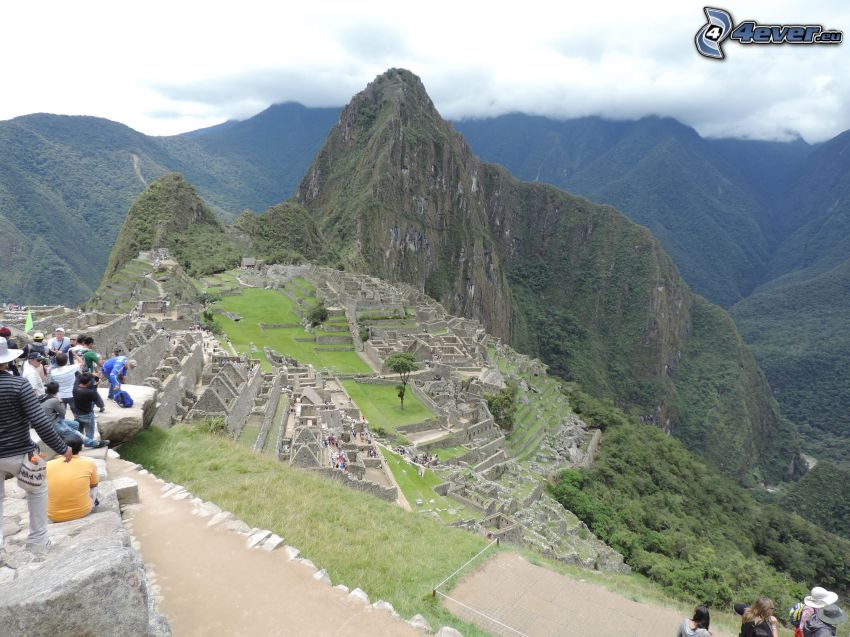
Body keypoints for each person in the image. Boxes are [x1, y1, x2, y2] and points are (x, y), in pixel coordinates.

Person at [0, 337, 72, 555]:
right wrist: (62, 448)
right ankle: (38, 540)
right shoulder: (18, 384)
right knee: (37, 490)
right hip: (19, 452)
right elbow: (40, 421)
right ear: (6, 361)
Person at [46, 435, 99, 523]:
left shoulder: (47, 465)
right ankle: (92, 503)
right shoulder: (89, 464)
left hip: (54, 515)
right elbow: (94, 485)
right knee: (94, 485)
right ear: (81, 448)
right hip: (83, 512)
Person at [42, 381, 106, 448]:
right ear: (57, 390)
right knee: (74, 432)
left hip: (52, 420)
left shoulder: (43, 396)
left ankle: (71, 441)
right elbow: (63, 412)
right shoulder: (54, 400)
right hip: (52, 423)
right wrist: (60, 401)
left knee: (75, 424)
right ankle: (93, 443)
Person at [73, 372, 105, 443]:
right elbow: (97, 401)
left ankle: (79, 444)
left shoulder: (75, 388)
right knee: (89, 435)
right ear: (89, 382)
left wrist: (88, 375)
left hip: (77, 414)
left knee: (79, 433)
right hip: (87, 415)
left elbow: (78, 377)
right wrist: (96, 386)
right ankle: (89, 443)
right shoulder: (91, 392)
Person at [48, 351, 79, 417]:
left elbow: (51, 383)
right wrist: (75, 354)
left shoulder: (53, 372)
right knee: (76, 414)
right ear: (67, 360)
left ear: (56, 361)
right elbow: (82, 363)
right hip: (72, 394)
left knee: (61, 415)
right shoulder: (71, 368)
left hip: (60, 396)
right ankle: (78, 426)